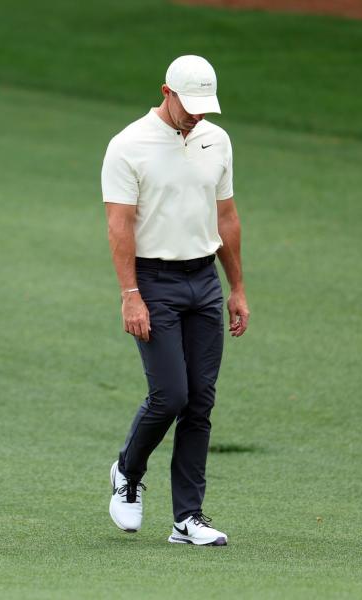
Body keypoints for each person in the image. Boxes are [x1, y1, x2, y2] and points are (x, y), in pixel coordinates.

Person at [101, 55, 249, 546]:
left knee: (200, 403)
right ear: (166, 91)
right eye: (190, 105)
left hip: (204, 281)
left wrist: (237, 288)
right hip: (154, 282)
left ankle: (188, 519)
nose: (198, 115)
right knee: (171, 395)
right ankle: (126, 471)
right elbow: (119, 226)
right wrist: (130, 295)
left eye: (206, 107)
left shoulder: (216, 140)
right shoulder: (129, 146)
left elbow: (225, 217)